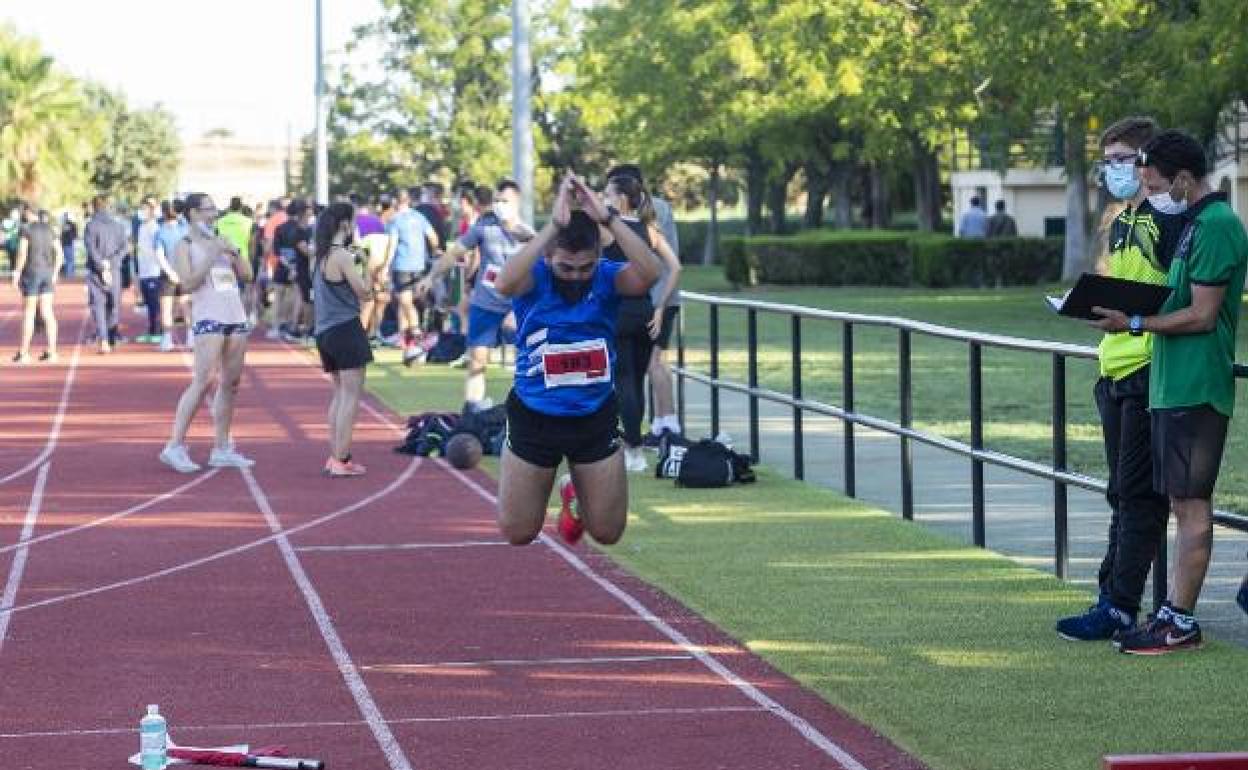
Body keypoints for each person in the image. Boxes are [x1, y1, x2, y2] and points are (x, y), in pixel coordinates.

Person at [1094, 129, 1248, 654]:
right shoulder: (1194, 224)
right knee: (1181, 502)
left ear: (1183, 178)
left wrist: (1134, 322)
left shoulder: (1219, 224)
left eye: (1157, 183)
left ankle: (1180, 618)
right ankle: (1171, 614)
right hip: (1169, 382)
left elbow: (1203, 314)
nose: (1152, 191)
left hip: (1196, 383)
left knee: (1191, 504)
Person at [1056, 117, 1184, 642]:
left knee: (1137, 494)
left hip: (1149, 365)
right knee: (1120, 492)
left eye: (1124, 158)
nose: (1116, 169)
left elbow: (1174, 295)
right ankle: (1109, 596)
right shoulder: (1121, 219)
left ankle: (1120, 605)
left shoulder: (1171, 218)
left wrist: (1131, 317)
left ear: (1149, 163)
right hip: (1114, 365)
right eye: (1107, 159)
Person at [492, 173, 659, 548]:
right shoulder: (533, 278)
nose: (576, 276)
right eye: (566, 268)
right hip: (536, 415)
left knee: (607, 532)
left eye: (585, 267)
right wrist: (553, 226)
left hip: (594, 415)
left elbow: (651, 273)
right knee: (518, 533)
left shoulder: (607, 279)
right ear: (549, 255)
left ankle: (573, 492)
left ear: (597, 259)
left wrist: (609, 219)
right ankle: (525, 461)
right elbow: (503, 284)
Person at [160, 193, 256, 474]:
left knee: (232, 383)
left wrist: (234, 252)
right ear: (191, 213)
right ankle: (174, 445)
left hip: (235, 315)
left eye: (215, 208)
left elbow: (247, 275)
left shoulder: (223, 238)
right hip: (209, 317)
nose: (213, 214)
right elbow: (187, 283)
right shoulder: (184, 245)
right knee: (203, 381)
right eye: (207, 209)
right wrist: (212, 255)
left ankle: (222, 447)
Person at [419, 179, 534, 411]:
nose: (501, 205)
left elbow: (539, 273)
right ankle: (473, 411)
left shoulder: (530, 236)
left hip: (516, 307)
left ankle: (522, 412)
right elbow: (454, 253)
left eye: (506, 201)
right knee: (477, 361)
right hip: (485, 305)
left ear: (518, 203)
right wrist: (431, 276)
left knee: (522, 365)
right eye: (498, 200)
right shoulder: (484, 228)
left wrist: (518, 309)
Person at [598, 172, 680, 473]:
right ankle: (633, 444)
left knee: (623, 381)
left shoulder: (608, 230)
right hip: (645, 310)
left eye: (607, 194)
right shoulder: (650, 230)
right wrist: (659, 306)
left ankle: (632, 448)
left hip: (619, 312)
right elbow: (675, 267)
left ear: (620, 199)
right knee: (636, 380)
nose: (603, 200)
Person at [312, 202, 374, 477]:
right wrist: (370, 265)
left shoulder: (323, 255)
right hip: (345, 329)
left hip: (326, 331)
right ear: (345, 225)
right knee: (350, 396)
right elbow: (365, 293)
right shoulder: (342, 257)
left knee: (339, 394)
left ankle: (335, 455)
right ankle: (342, 458)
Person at [386, 187, 441, 364]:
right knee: (406, 302)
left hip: (402, 265)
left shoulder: (395, 220)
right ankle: (406, 338)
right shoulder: (419, 217)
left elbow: (392, 245)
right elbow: (433, 237)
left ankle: (416, 334)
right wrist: (433, 252)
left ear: (396, 202)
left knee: (406, 302)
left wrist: (386, 267)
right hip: (419, 265)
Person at [10, 206, 63, 363]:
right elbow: (59, 253)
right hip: (47, 273)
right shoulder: (49, 229)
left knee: (29, 312)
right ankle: (52, 351)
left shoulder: (25, 229)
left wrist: (16, 272)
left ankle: (24, 352)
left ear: (27, 213)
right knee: (47, 312)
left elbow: (22, 252)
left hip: (31, 273)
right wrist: (55, 272)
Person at [84, 195, 130, 354]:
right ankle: (110, 335)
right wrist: (111, 263)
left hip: (97, 271)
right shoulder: (118, 226)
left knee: (98, 306)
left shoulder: (91, 226)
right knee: (114, 305)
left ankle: (104, 339)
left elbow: (90, 249)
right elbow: (124, 248)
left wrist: (102, 265)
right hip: (114, 269)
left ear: (94, 207)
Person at [358, 196, 396, 343]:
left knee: (376, 301)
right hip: (377, 266)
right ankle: (369, 333)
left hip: (375, 266)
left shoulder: (371, 229)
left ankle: (370, 333)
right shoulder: (383, 228)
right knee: (374, 301)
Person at [155, 200, 190, 351]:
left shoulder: (160, 232)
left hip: (167, 275)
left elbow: (159, 256)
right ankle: (192, 338)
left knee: (166, 309)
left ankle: (167, 340)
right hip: (185, 273)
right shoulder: (185, 229)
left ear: (163, 214)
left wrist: (170, 273)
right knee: (186, 307)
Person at [134, 200, 166, 344]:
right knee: (148, 303)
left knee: (154, 304)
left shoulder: (154, 228)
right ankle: (151, 329)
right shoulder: (141, 227)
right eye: (141, 209)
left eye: (145, 209)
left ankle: (157, 331)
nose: (142, 212)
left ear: (152, 211)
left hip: (154, 270)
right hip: (144, 270)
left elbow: (158, 249)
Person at [59, 212, 77, 278]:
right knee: (70, 260)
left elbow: (61, 235)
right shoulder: (72, 224)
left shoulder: (63, 225)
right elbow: (75, 235)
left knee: (68, 260)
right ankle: (70, 275)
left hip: (65, 244)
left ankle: (69, 274)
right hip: (69, 243)